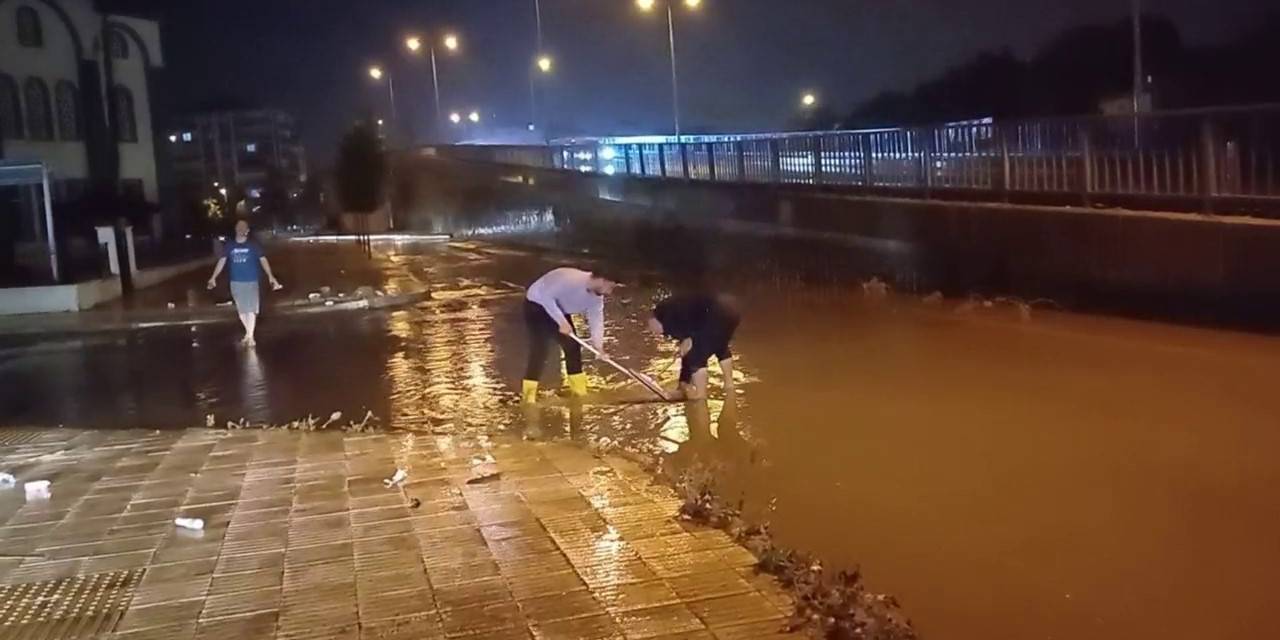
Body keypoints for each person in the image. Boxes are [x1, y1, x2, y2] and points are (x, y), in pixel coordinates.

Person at [522, 267, 618, 404]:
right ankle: (528, 397)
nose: (610, 292)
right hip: (537, 305)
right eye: (610, 287)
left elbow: (596, 321)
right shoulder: (571, 280)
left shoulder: (596, 299)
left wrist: (599, 347)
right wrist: (562, 322)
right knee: (540, 349)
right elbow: (546, 297)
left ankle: (579, 393)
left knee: (573, 347)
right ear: (601, 280)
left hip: (559, 309)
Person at [648, 292, 740, 400]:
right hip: (731, 312)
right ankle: (729, 386)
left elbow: (689, 348)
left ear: (653, 321)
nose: (658, 334)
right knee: (720, 345)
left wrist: (687, 339)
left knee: (697, 355)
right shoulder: (669, 314)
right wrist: (683, 382)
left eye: (655, 331)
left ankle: (701, 396)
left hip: (715, 314)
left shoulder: (666, 316)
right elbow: (686, 350)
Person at [207, 219, 281, 346]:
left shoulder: (253, 246)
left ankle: (250, 336)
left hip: (251, 280)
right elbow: (222, 261)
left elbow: (263, 260)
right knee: (242, 310)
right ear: (236, 229)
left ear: (247, 231)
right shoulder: (230, 246)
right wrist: (213, 277)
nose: (241, 229)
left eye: (244, 227)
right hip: (236, 282)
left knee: (251, 308)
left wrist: (271, 276)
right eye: (239, 227)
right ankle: (248, 334)